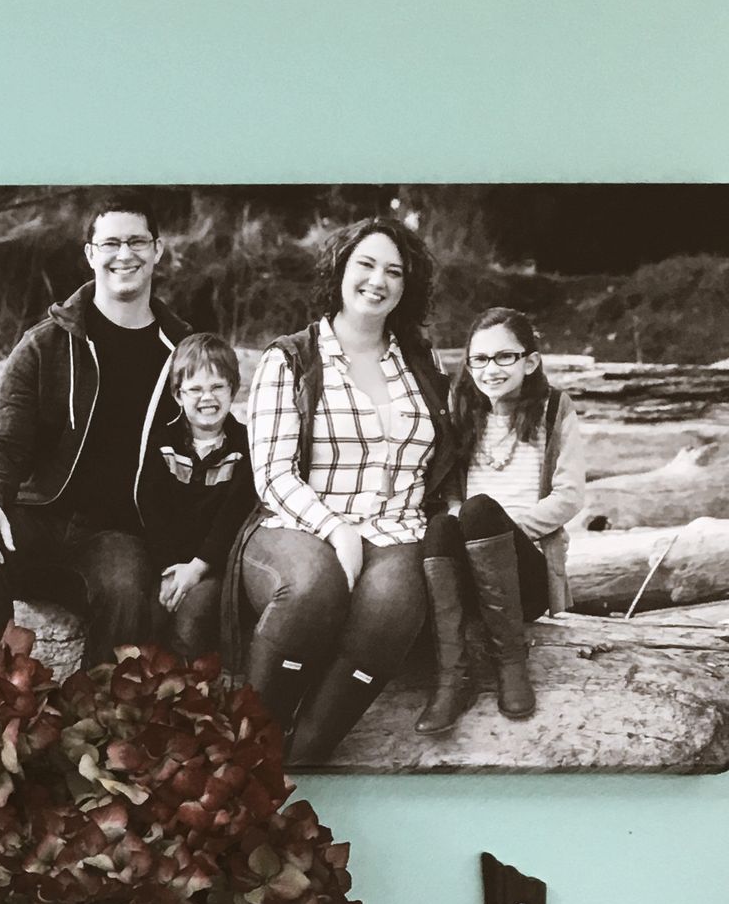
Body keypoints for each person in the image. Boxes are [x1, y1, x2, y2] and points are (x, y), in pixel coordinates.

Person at [226, 215, 457, 764]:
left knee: (392, 607)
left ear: (407, 286)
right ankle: (248, 751)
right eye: (366, 264)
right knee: (313, 587)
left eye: (394, 272)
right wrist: (338, 532)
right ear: (340, 270)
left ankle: (300, 763)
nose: (378, 281)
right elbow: (273, 474)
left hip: (399, 528)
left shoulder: (423, 362)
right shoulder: (291, 358)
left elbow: (448, 456)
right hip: (298, 523)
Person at [0, 192, 190, 663]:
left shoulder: (181, 351)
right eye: (111, 243)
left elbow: (203, 445)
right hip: (36, 515)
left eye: (137, 242)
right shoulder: (44, 345)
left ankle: (95, 708)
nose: (125, 254)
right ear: (90, 254)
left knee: (127, 588)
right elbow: (4, 442)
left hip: (117, 533)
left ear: (158, 250)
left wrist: (191, 551)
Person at [416, 307, 588, 731]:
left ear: (529, 361)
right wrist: (470, 531)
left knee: (479, 511)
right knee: (442, 524)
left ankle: (511, 662)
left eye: (504, 357)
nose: (490, 369)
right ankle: (453, 676)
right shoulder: (461, 411)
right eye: (479, 359)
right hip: (473, 575)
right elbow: (451, 494)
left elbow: (570, 495)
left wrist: (503, 530)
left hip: (526, 576)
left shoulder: (555, 408)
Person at [137, 332, 254, 659]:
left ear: (233, 389)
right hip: (166, 562)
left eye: (218, 387)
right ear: (178, 394)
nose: (208, 398)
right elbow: (152, 509)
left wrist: (197, 568)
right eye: (196, 389)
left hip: (214, 565)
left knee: (192, 618)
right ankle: (141, 685)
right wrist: (169, 568)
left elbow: (232, 516)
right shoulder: (163, 444)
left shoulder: (244, 447)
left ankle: (189, 685)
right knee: (148, 616)